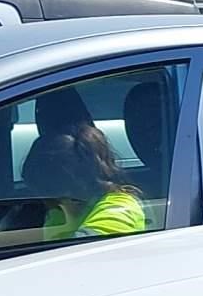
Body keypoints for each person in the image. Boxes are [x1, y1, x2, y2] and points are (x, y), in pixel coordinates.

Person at [25, 87, 148, 238]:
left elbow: (80, 253)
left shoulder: (120, 208)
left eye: (46, 193)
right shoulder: (58, 215)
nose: (46, 201)